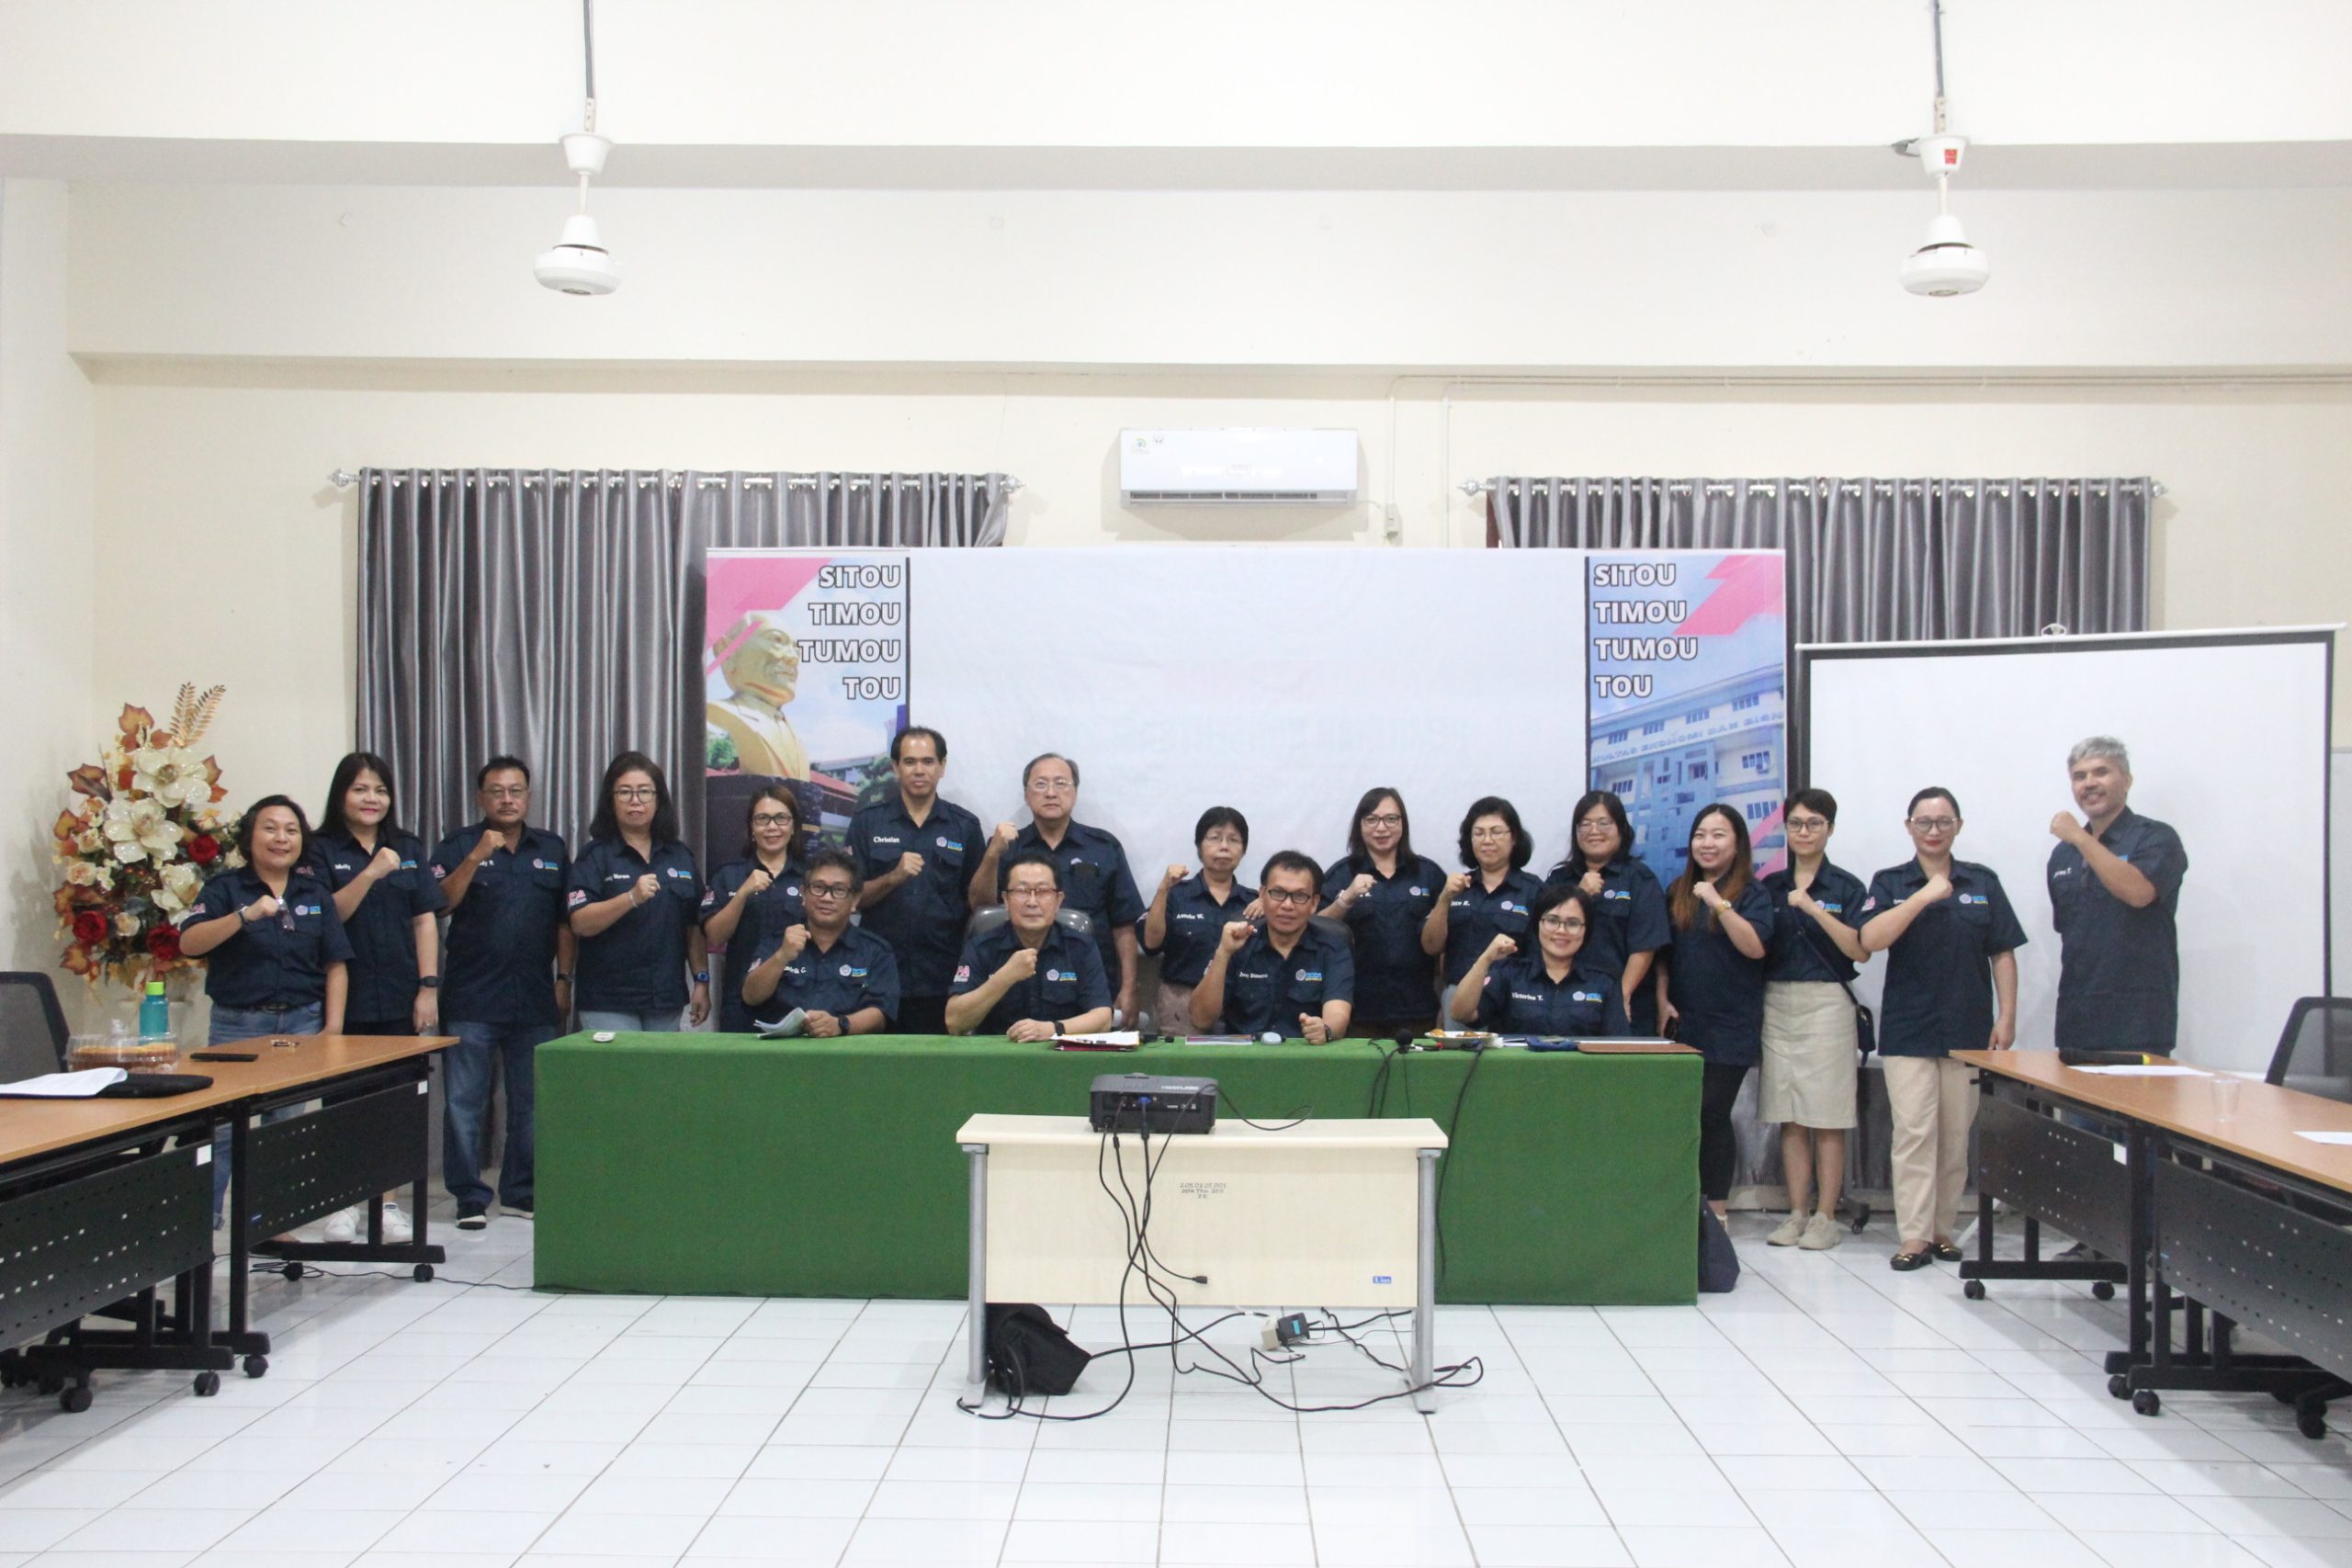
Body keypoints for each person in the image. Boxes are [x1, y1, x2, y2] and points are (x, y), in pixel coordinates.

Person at [1861, 787, 2025, 1272]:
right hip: (1908, 1029)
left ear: (1958, 826)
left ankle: (1941, 1231)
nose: (1934, 831)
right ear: (1908, 826)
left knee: (1954, 1138)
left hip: (1967, 1029)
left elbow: (2002, 952)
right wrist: (1924, 896)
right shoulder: (1890, 881)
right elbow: (1870, 938)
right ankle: (1913, 1235)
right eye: (1924, 822)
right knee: (1914, 1132)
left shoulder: (1982, 881)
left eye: (1943, 822)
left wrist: (2007, 1016)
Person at [176, 795, 352, 1227]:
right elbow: (189, 943)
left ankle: (271, 1225)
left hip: (302, 1023)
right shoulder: (225, 888)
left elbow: (336, 964)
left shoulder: (315, 893)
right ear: (250, 837)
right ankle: (201, 1226)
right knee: (221, 1128)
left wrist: (332, 1028)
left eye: (291, 830)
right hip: (239, 1025)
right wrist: (244, 916)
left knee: (283, 1130)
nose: (281, 838)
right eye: (270, 828)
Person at [304, 750, 446, 1245]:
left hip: (401, 994)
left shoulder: (406, 846)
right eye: (361, 789)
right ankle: (342, 1203)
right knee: (342, 1105)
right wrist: (369, 873)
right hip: (343, 997)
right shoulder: (318, 849)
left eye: (380, 790)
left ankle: (386, 1203)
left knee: (395, 1105)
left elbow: (424, 919)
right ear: (341, 795)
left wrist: (428, 986)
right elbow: (326, 918)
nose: (372, 799)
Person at [428, 755, 573, 1230]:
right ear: (481, 798)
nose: (507, 799)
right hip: (471, 997)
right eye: (497, 791)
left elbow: (564, 922)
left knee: (530, 1105)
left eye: (516, 791)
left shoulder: (551, 847)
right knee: (464, 1103)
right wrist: (475, 857)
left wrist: (564, 979)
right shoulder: (457, 845)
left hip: (534, 997)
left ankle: (519, 1191)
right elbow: (439, 905)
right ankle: (469, 1197)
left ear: (528, 796)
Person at [1758, 788, 1870, 1252]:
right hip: (1777, 1001)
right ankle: (1797, 1213)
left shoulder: (1847, 887)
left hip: (1826, 1002)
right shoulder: (1769, 886)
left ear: (1830, 829)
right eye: (1796, 824)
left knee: (1826, 1115)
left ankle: (1826, 1217)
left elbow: (1859, 948)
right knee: (1789, 1115)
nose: (1804, 832)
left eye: (1814, 823)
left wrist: (1812, 908)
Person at [1658, 804, 1776, 1218]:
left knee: (1712, 1112)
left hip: (1732, 1024)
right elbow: (1663, 955)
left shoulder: (1754, 893)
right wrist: (1662, 998)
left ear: (1738, 843)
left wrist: (1718, 903)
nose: (1707, 843)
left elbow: (1755, 947)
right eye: (1700, 835)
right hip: (1685, 1023)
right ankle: (1682, 1206)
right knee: (1683, 1115)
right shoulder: (1678, 890)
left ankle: (1717, 1212)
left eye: (1718, 834)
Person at [972, 753, 1144, 1023]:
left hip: (1092, 987)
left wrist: (1129, 987)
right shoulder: (1007, 846)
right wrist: (993, 854)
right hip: (1017, 989)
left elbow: (1123, 924)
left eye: (1061, 783)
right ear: (1026, 795)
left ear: (1075, 792)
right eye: (1040, 784)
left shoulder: (1103, 847)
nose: (1051, 793)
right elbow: (981, 907)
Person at [2048, 737, 2188, 1055]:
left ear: (2126, 780)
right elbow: (2069, 932)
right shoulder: (2062, 855)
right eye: (2079, 776)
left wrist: (2080, 838)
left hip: (2138, 1023)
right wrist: (2077, 841)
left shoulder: (2156, 837)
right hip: (2077, 1020)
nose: (2089, 783)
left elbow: (2138, 893)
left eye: (2101, 772)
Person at [849, 727, 986, 1034]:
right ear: (896, 767)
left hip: (943, 974)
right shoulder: (868, 821)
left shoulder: (964, 826)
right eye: (910, 762)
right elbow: (852, 899)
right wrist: (892, 878)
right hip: (879, 974)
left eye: (928, 761)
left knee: (937, 1062)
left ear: (942, 766)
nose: (919, 770)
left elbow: (980, 903)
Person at [568, 752, 709, 1032]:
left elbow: (693, 927)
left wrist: (702, 981)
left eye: (644, 792)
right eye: (625, 792)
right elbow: (580, 923)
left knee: (661, 1064)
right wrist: (630, 898)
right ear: (611, 800)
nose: (635, 800)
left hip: (665, 998)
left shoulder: (679, 855)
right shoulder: (595, 856)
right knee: (618, 1064)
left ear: (658, 799)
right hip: (608, 1001)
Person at [1318, 788, 1446, 1037]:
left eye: (1391, 819)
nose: (1381, 828)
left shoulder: (1428, 874)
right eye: (1372, 819)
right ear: (1359, 825)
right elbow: (1315, 929)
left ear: (1402, 824)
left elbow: (1445, 944)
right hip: (1357, 1010)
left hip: (1418, 1010)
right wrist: (1346, 899)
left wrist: (1444, 1001)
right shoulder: (1341, 874)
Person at [946, 851, 1113, 1041]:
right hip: (998, 1054)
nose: (1032, 902)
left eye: (1042, 891)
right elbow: (954, 1021)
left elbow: (1103, 1018)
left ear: (1058, 900)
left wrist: (1053, 1029)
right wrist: (1005, 977)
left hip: (1060, 1053)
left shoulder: (1081, 947)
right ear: (1006, 900)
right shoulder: (981, 947)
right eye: (1021, 891)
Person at [1544, 790, 1672, 1034]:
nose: (1594, 831)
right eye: (1585, 824)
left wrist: (1620, 997)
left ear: (1621, 829)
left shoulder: (1640, 879)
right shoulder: (1559, 880)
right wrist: (1579, 895)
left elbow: (1645, 947)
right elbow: (1543, 934)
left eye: (1604, 823)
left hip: (1625, 1002)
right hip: (1564, 1003)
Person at [1193, 851, 1354, 1042]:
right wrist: (1223, 953)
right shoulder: (1237, 943)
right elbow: (1200, 1019)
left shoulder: (1333, 948)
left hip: (1305, 1052)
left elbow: (1338, 1014)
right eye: (1278, 893)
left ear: (1314, 903)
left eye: (1300, 896)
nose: (1287, 905)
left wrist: (1324, 1029)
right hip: (1245, 1053)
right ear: (1262, 895)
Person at [740, 848, 900, 1035]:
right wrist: (781, 956)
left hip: (847, 1050)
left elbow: (881, 1013)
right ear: (803, 894)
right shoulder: (776, 943)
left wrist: (840, 1025)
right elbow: (750, 997)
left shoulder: (876, 951)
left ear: (855, 900)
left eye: (839, 890)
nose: (827, 897)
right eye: (818, 888)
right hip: (784, 1050)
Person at [1451, 884, 1627, 1037]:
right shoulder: (1509, 973)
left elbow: (1618, 1046)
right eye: (1552, 921)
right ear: (1537, 924)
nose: (1561, 930)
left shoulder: (1604, 983)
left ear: (1586, 931)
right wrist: (1485, 959)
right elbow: (1461, 1014)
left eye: (1572, 923)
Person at [1423, 795, 1543, 1020]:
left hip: (1514, 1000)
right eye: (1478, 833)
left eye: (1496, 832)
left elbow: (1543, 954)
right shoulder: (1455, 888)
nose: (1487, 840)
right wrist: (1444, 899)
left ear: (1514, 838)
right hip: (1460, 998)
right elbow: (1431, 946)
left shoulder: (1534, 890)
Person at [701, 786, 808, 1033]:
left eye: (781, 818)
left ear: (793, 826)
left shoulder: (810, 876)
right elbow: (715, 937)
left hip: (798, 996)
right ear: (751, 827)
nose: (772, 827)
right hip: (741, 1000)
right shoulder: (729, 875)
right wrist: (742, 893)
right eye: (762, 819)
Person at [1139, 807, 1255, 1030]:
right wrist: (1163, 889)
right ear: (1199, 846)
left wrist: (1266, 903)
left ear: (1243, 850)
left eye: (1233, 840)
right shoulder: (1175, 894)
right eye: (1215, 838)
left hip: (1240, 1002)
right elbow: (1151, 944)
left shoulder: (1253, 902)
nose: (1224, 846)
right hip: (1180, 1002)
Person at [705, 612, 810, 780]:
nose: (793, 658)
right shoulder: (723, 713)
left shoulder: (793, 734)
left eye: (796, 648)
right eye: (776, 640)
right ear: (727, 651)